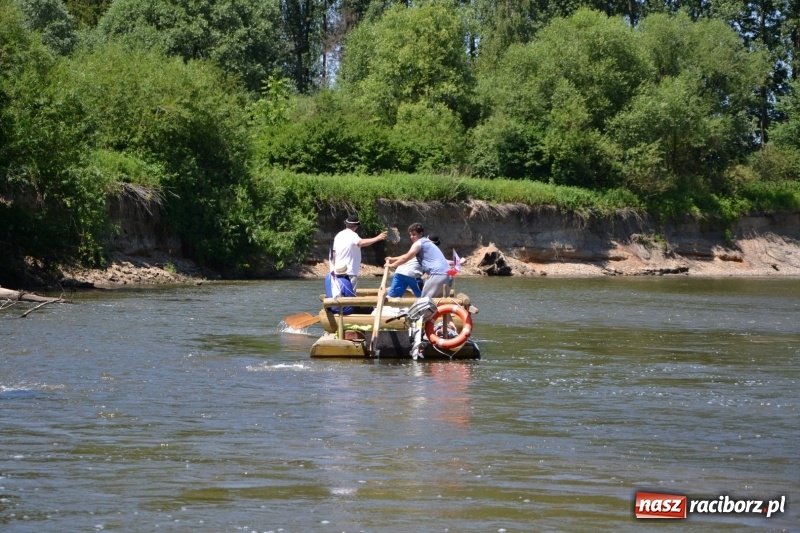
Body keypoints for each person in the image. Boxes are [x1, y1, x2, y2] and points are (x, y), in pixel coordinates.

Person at [385, 223, 452, 299]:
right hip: (448, 275)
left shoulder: (419, 243)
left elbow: (405, 258)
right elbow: (407, 255)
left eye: (414, 234)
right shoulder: (429, 245)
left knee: (424, 301)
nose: (411, 237)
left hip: (437, 274)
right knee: (438, 301)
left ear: (421, 233)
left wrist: (391, 265)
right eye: (410, 235)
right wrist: (392, 259)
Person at [332, 213, 387, 290]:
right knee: (350, 294)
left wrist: (334, 267)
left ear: (346, 224)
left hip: (338, 271)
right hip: (349, 272)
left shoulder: (338, 235)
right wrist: (377, 238)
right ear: (356, 226)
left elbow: (334, 254)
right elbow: (361, 243)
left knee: (340, 293)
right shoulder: (353, 235)